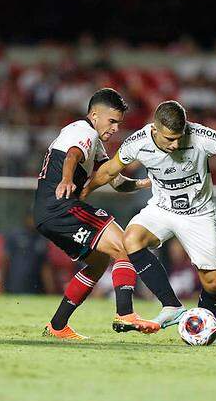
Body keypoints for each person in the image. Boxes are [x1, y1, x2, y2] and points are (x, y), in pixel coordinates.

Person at [83, 100, 216, 346]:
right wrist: (84, 191)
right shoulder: (139, 141)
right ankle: (171, 305)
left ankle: (206, 332)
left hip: (198, 214)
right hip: (162, 209)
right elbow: (110, 171)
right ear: (154, 129)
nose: (175, 144)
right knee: (131, 238)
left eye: (179, 137)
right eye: (169, 139)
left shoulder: (198, 135)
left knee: (213, 282)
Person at [34, 88, 160, 340]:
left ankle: (57, 326)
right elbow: (72, 155)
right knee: (125, 245)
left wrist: (146, 183)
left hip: (48, 213)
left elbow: (116, 180)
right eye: (111, 121)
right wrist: (67, 179)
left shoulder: (93, 142)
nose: (115, 128)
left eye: (118, 123)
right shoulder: (84, 131)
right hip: (61, 206)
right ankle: (125, 313)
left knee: (99, 261)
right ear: (94, 115)